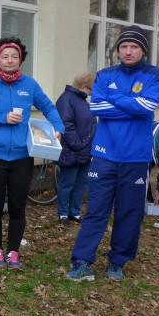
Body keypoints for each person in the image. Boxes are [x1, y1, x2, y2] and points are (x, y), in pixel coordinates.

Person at [67, 26, 159, 282]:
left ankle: (118, 262)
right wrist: (131, 104)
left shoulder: (154, 75)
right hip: (104, 155)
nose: (128, 51)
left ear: (143, 50)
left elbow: (147, 106)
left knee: (129, 212)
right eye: (124, 46)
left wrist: (116, 98)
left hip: (135, 158)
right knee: (96, 210)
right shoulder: (105, 74)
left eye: (134, 46)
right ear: (118, 50)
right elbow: (97, 107)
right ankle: (82, 261)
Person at [0, 37, 64, 271]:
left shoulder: (29, 85)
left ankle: (13, 252)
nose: (10, 60)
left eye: (14, 56)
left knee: (17, 207)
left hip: (22, 156)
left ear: (20, 59)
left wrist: (58, 128)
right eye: (5, 56)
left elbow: (48, 107)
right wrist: (2, 118)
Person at [55, 72, 97, 224]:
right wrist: (78, 144)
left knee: (80, 184)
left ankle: (75, 212)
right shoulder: (66, 99)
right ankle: (63, 214)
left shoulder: (81, 100)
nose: (91, 93)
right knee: (67, 183)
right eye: (91, 89)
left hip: (84, 149)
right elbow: (66, 125)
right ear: (85, 87)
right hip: (71, 150)